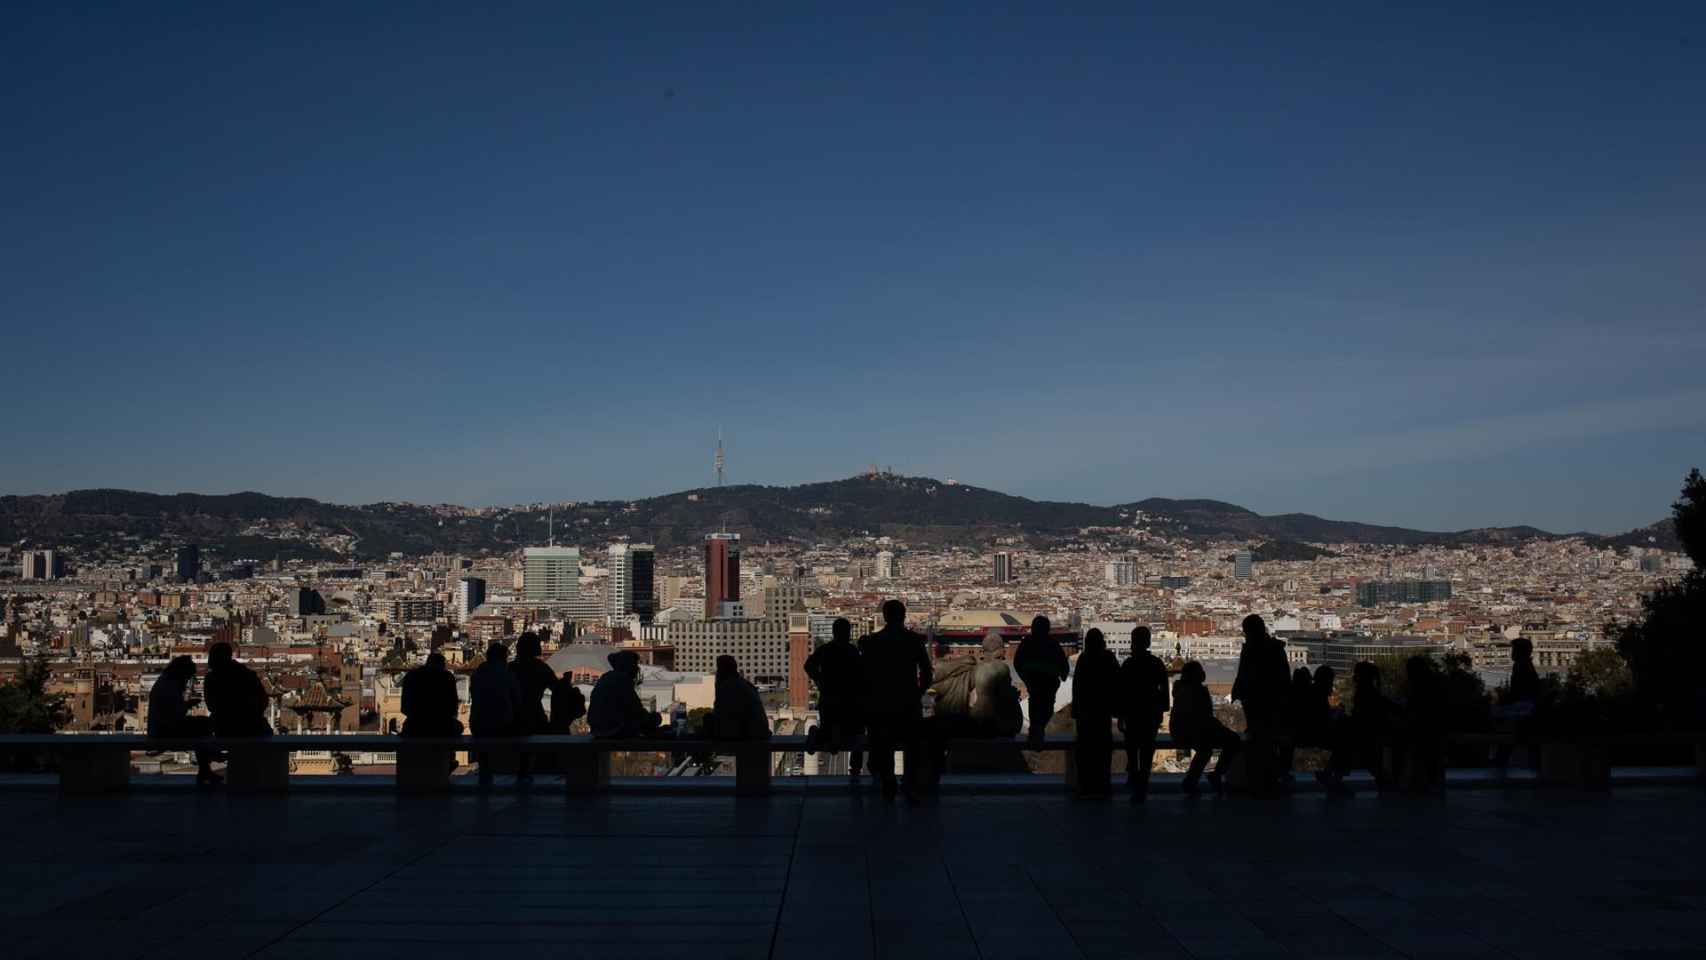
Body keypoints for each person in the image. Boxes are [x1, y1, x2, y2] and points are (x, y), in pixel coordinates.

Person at [859, 599, 932, 801]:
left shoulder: (873, 642)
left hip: (882, 703)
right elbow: (927, 673)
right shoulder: (914, 641)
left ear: (884, 616)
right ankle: (909, 784)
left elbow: (864, 675)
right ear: (903, 615)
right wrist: (918, 693)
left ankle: (888, 781)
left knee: (884, 745)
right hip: (908, 702)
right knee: (911, 746)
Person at [1230, 614, 1290, 792]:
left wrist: (1239, 691)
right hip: (1271, 702)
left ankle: (1260, 780)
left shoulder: (1250, 649)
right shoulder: (1275, 648)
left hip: (1256, 702)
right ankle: (1269, 780)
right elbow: (1284, 676)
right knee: (1268, 742)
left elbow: (1243, 673)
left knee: (1259, 741)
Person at [804, 617, 864, 782]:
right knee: (857, 733)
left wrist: (820, 680)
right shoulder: (852, 651)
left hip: (829, 698)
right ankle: (855, 770)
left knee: (830, 727)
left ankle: (817, 735)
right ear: (847, 632)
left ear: (833, 632)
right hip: (849, 699)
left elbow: (808, 665)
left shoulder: (825, 649)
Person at [1320, 661, 1393, 796]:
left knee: (1347, 750)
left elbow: (1359, 717)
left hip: (1360, 734)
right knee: (1370, 759)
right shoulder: (1371, 693)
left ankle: (1331, 776)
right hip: (1366, 734)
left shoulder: (1363, 693)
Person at [1170, 660, 1242, 795]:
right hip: (1195, 731)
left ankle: (1192, 781)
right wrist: (1220, 728)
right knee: (1229, 742)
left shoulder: (1182, 690)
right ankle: (1213, 775)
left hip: (1184, 731)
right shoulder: (1196, 691)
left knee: (1206, 749)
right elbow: (1204, 718)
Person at [148, 655, 218, 785]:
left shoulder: (166, 681)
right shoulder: (170, 685)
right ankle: (207, 766)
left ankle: (206, 768)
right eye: (187, 676)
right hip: (164, 730)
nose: (187, 681)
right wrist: (188, 705)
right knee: (204, 725)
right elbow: (175, 714)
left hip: (160, 728)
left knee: (202, 725)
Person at [1117, 626, 1169, 802]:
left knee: (1132, 748)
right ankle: (1143, 783)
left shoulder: (1128, 664)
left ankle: (1134, 779)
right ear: (1147, 642)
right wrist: (1163, 708)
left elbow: (1122, 693)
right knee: (1147, 749)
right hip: (1150, 713)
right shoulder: (1156, 663)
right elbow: (1164, 687)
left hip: (1133, 713)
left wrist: (1121, 715)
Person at [1070, 628, 1119, 799]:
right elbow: (1116, 684)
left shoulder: (1084, 659)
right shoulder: (1108, 658)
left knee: (1084, 752)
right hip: (1102, 713)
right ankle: (1103, 785)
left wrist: (1075, 710)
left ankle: (1084, 786)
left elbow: (1077, 687)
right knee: (1103, 753)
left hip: (1085, 714)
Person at [469, 642, 523, 787]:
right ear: (502, 657)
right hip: (502, 725)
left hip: (478, 725)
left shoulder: (478, 674)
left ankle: (485, 774)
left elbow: (474, 696)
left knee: (484, 752)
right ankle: (522, 774)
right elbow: (517, 700)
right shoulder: (507, 674)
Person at [509, 632, 558, 782]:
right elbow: (557, 688)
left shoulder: (510, 668)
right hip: (535, 716)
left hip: (513, 718)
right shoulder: (541, 668)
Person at [1015, 615, 1069, 748]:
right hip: (1048, 685)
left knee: (1036, 710)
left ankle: (1035, 736)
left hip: (1035, 685)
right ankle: (1038, 736)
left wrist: (1026, 678)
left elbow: (1018, 663)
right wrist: (1061, 675)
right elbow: (1063, 664)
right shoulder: (1052, 643)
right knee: (1046, 710)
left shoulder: (1027, 642)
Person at [589, 650, 663, 738]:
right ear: (628, 666)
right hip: (611, 731)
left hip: (600, 730)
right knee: (655, 718)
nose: (637, 668)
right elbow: (636, 710)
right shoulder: (622, 681)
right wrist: (653, 719)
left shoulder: (608, 677)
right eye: (635, 665)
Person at [205, 642, 271, 737]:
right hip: (252, 726)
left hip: (224, 728)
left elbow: (211, 706)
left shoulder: (211, 678)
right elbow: (263, 700)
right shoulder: (247, 674)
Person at [1493, 636, 1540, 771]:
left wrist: (1503, 699)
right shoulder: (1524, 665)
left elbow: (1518, 692)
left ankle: (1501, 757)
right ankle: (1502, 756)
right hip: (1525, 706)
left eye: (1514, 650)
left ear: (1520, 652)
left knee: (1503, 722)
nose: (1511, 653)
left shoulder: (1521, 666)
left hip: (1524, 707)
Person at [400, 652, 463, 737]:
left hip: (414, 727)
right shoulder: (447, 677)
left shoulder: (411, 675)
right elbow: (453, 708)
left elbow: (404, 708)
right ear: (442, 665)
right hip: (442, 728)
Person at [711, 656, 771, 740]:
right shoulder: (741, 683)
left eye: (718, 669)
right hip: (756, 733)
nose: (717, 673)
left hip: (750, 736)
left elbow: (722, 712)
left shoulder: (729, 685)